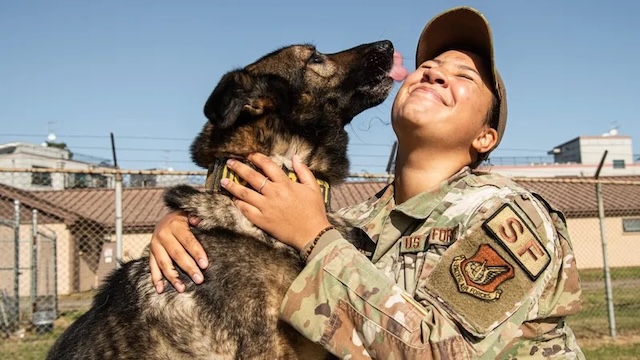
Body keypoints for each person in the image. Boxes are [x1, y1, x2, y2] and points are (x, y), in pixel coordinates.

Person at [148, 6, 584, 359]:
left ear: (484, 136)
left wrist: (314, 239)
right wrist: (194, 226)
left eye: (463, 76)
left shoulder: (509, 214)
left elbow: (443, 352)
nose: (433, 73)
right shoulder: (353, 221)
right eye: (427, 66)